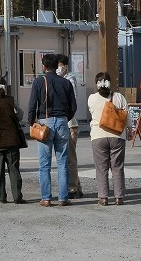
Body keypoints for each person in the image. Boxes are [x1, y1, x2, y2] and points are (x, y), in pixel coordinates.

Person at [26, 53, 76, 207]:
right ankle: (63, 198)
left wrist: (31, 122)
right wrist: (64, 119)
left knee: (44, 164)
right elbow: (73, 106)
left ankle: (46, 198)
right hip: (62, 122)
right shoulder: (66, 83)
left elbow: (32, 105)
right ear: (57, 66)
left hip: (44, 123)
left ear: (44, 66)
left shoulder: (38, 82)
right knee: (62, 163)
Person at [0, 75, 27, 204]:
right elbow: (20, 115)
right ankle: (17, 196)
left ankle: (2, 197)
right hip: (11, 139)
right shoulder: (11, 100)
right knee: (14, 169)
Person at [88, 71, 128, 206]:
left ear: (97, 84)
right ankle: (119, 197)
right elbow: (127, 117)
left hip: (98, 136)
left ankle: (103, 197)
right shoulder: (119, 97)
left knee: (101, 168)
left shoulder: (92, 98)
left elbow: (92, 112)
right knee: (117, 167)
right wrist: (131, 131)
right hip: (117, 136)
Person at [56, 53, 83, 199]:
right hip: (65, 122)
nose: (58, 69)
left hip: (70, 123)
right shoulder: (61, 79)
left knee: (69, 158)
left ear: (66, 67)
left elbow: (72, 101)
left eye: (60, 66)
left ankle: (72, 188)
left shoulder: (70, 80)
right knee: (67, 157)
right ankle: (77, 186)